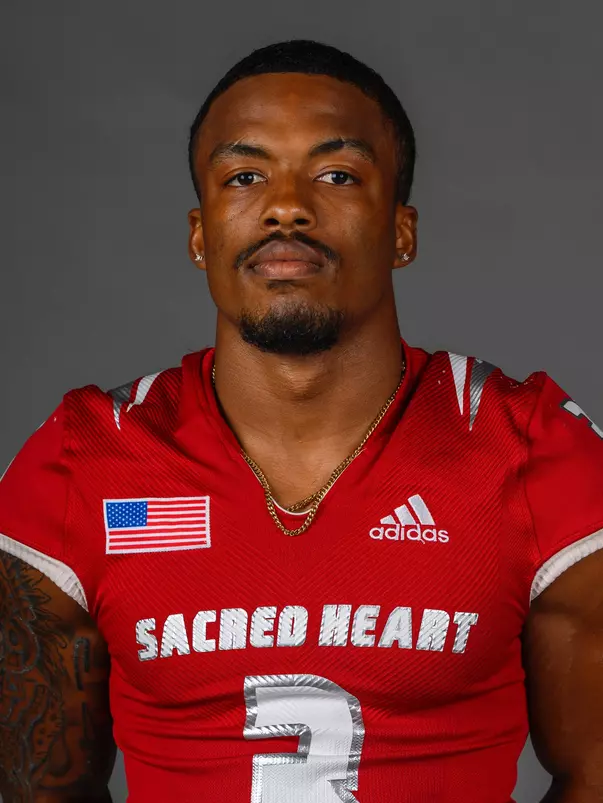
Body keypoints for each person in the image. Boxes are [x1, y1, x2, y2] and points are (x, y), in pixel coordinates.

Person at [1, 38, 603, 803]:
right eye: (245, 176)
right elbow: (33, 784)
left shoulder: (528, 448)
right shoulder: (86, 457)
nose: (286, 205)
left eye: (336, 175)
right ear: (199, 234)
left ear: (400, 231)